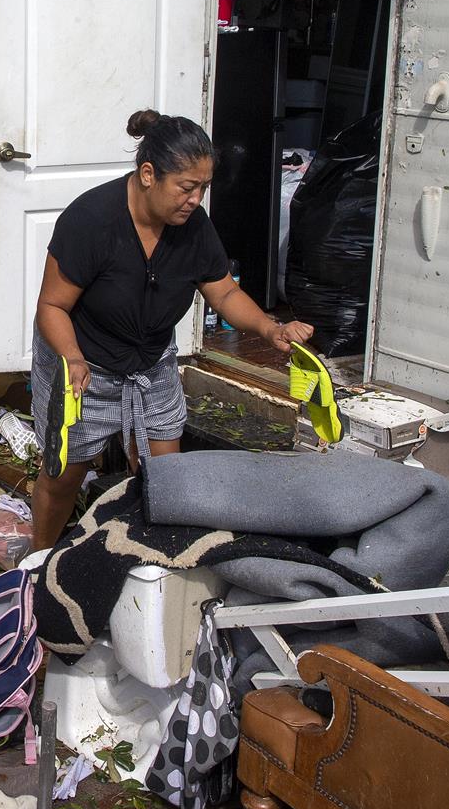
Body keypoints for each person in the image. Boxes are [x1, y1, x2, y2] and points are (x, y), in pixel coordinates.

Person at [28, 110, 314, 552]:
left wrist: (269, 327)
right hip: (83, 366)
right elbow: (51, 306)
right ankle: (38, 561)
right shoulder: (91, 220)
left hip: (151, 364)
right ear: (148, 175)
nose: (195, 199)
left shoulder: (193, 227)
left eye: (203, 188)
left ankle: (152, 560)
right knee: (63, 475)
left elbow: (223, 295)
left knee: (165, 477)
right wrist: (74, 357)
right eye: (186, 187)